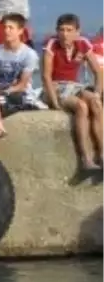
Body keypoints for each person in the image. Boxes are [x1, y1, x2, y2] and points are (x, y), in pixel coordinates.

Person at [42, 13, 104, 170]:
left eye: (69, 30)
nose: (64, 34)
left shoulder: (83, 44)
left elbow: (97, 71)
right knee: (81, 107)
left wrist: (97, 92)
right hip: (56, 87)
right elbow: (46, 76)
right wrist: (54, 102)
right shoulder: (51, 45)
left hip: (74, 86)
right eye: (61, 30)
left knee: (96, 103)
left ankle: (102, 154)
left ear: (77, 31)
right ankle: (86, 158)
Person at [0, 13, 42, 148]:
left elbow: (22, 85)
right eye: (5, 27)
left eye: (11, 28)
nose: (6, 31)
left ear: (20, 31)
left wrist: (4, 92)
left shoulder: (29, 54)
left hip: (18, 94)